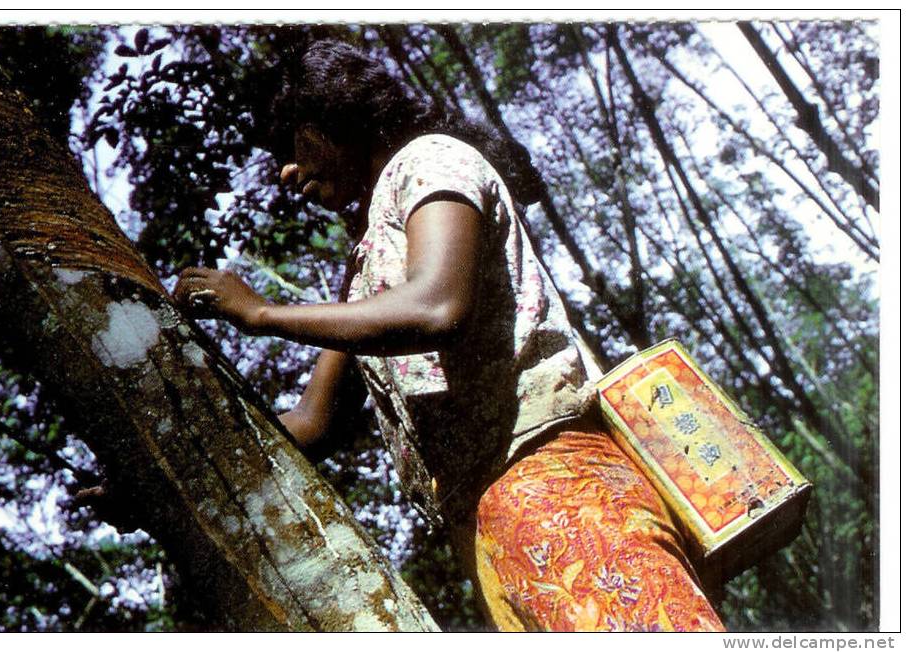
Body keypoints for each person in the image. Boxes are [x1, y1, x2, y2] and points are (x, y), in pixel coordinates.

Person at [173, 39, 724, 632]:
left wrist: (261, 314)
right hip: (483, 521)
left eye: (290, 146)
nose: (285, 171)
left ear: (330, 117)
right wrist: (174, 473)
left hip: (553, 481)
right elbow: (313, 422)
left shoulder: (430, 161)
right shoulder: (363, 272)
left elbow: (438, 305)